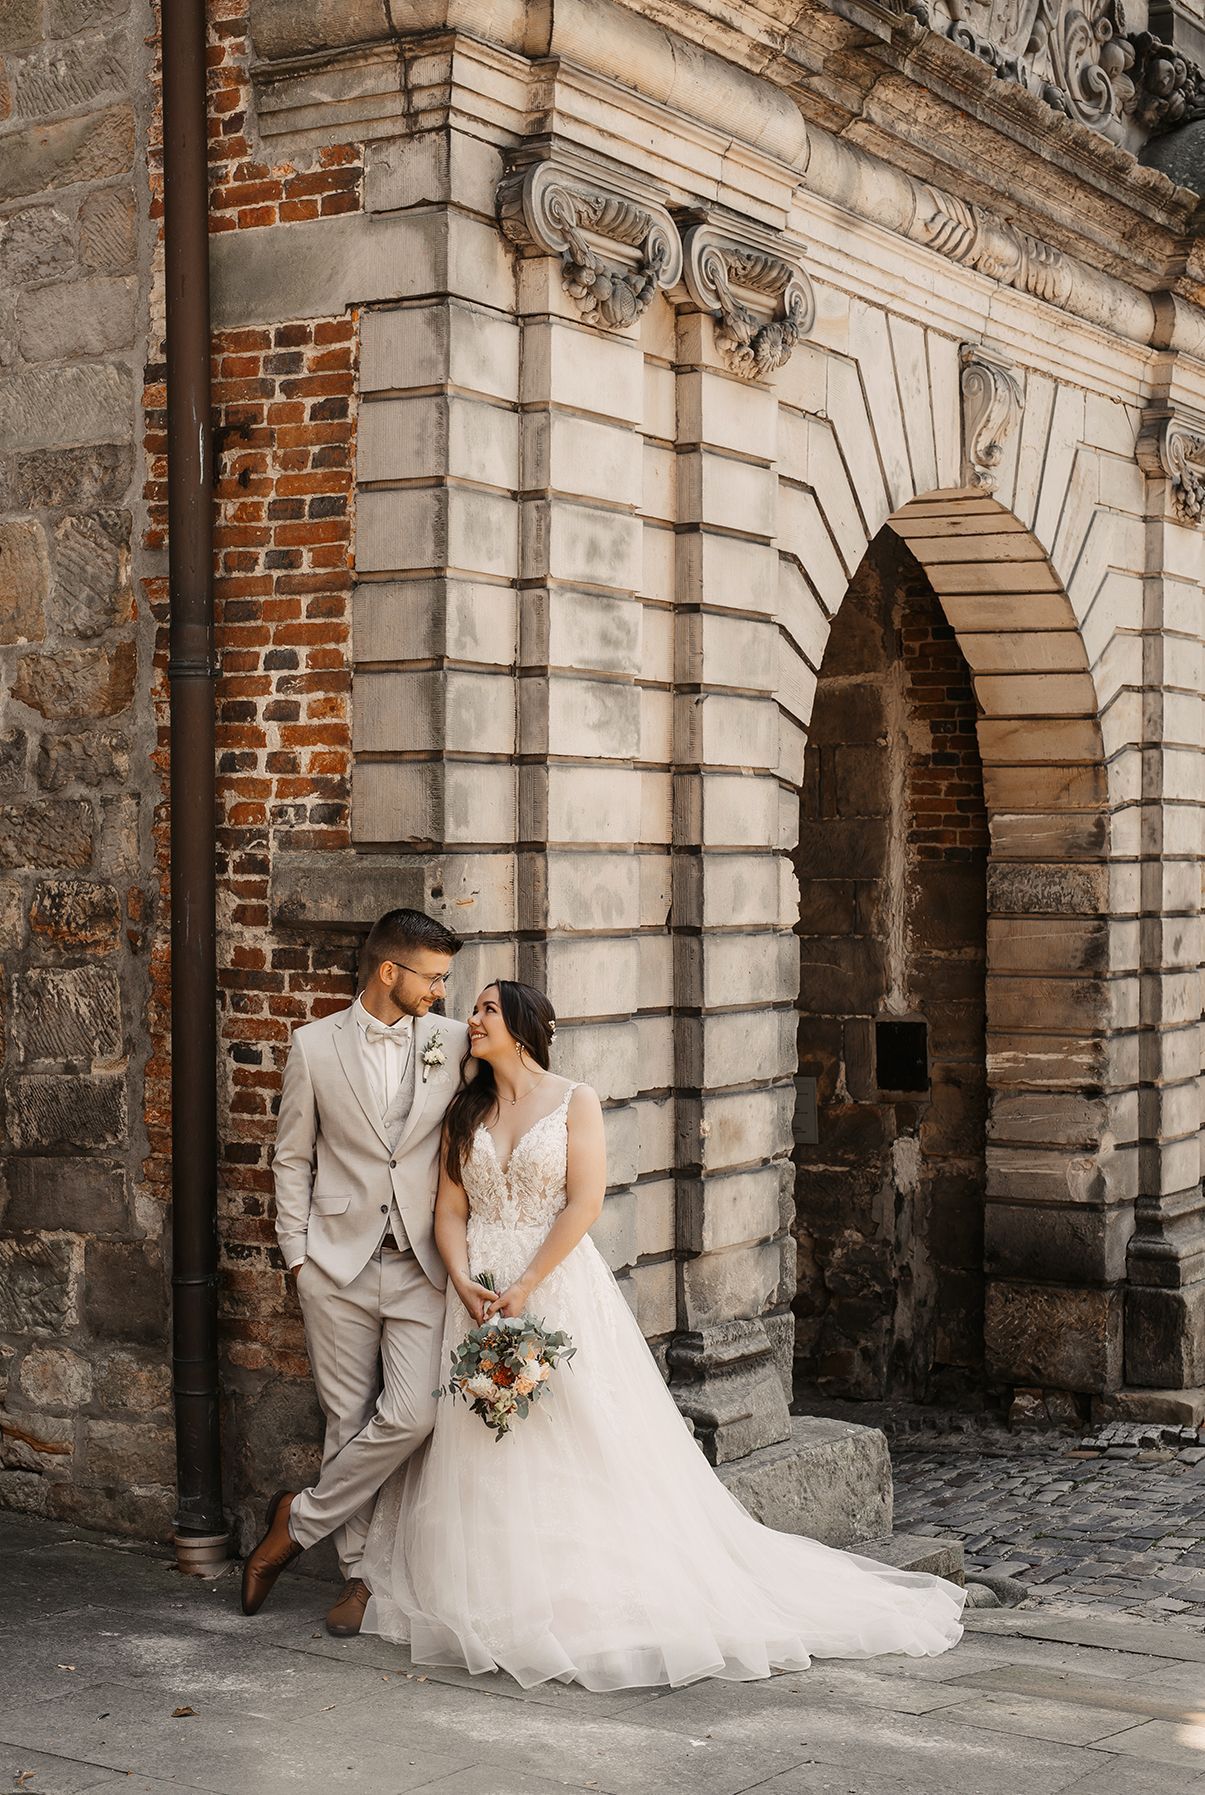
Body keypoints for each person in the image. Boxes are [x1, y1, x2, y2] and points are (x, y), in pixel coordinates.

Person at [359, 978, 966, 1690]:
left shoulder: (572, 1099)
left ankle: (583, 1591)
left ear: (523, 1025)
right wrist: (464, 1279)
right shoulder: (465, 1111)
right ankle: (493, 1594)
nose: (474, 1019)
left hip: (552, 1283)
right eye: (477, 1009)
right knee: (487, 1439)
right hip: (481, 1289)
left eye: (488, 1008)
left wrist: (526, 1285)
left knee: (578, 1432)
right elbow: (450, 1208)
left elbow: (583, 1202)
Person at [241, 907, 467, 1638]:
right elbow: (292, 1156)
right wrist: (299, 1256)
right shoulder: (314, 1046)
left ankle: (293, 1522)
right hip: (334, 1264)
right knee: (346, 1419)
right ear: (388, 971)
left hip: (420, 1264)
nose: (441, 989)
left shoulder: (453, 1041)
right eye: (432, 976)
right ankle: (361, 1580)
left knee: (412, 1413)